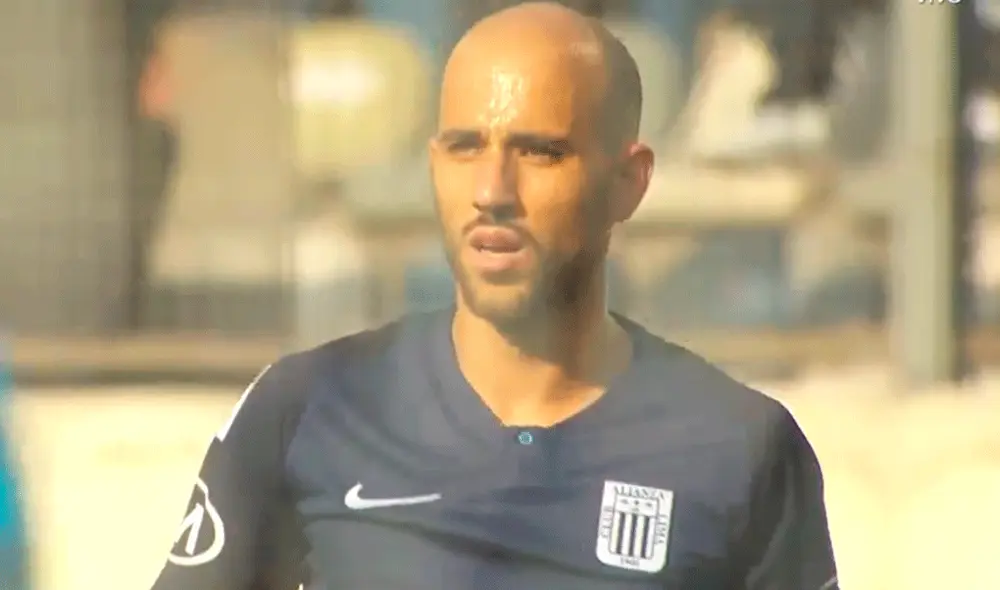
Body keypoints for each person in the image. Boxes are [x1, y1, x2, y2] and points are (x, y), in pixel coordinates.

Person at [148, 3, 838, 589]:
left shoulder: (740, 448)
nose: (492, 192)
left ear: (628, 181)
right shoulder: (308, 409)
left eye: (539, 152)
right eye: (464, 148)